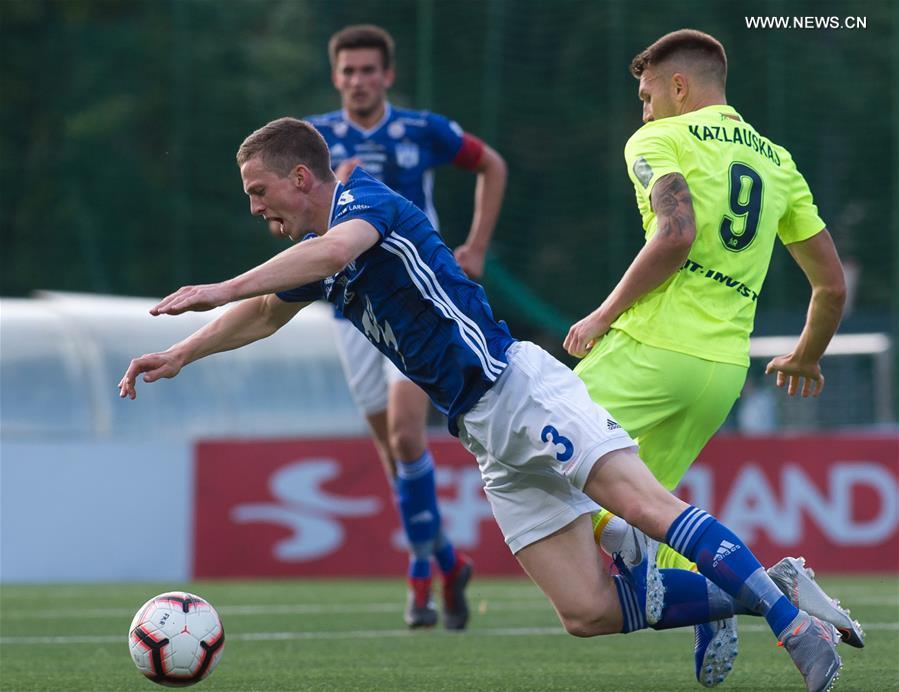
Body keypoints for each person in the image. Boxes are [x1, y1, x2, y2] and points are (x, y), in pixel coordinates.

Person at [120, 117, 846, 692]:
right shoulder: (315, 252)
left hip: (520, 390)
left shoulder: (364, 203)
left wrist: (219, 285)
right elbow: (264, 313)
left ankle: (795, 630)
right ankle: (765, 586)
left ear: (301, 177)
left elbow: (335, 253)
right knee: (587, 611)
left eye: (258, 191)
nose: (255, 208)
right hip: (483, 433)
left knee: (643, 506)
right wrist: (182, 352)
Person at [563, 29, 854, 686]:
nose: (643, 111)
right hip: (720, 371)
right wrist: (805, 357)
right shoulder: (777, 160)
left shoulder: (660, 139)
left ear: (678, 86)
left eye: (646, 96)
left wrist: (603, 315)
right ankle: (735, 597)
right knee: (647, 514)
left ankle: (762, 593)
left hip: (648, 351)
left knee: (529, 458)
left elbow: (675, 234)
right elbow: (831, 286)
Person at [293, 24, 507, 630]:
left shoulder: (421, 130)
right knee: (391, 452)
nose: (358, 80)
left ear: (387, 75)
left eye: (369, 70)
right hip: (350, 311)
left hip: (415, 306)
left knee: (408, 436)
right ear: (335, 77)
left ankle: (418, 579)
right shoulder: (313, 140)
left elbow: (491, 164)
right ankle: (446, 563)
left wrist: (476, 246)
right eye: (349, 71)